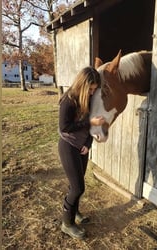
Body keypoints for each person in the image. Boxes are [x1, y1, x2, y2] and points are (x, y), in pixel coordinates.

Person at [58, 67, 105, 239]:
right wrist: (89, 121)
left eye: (95, 89)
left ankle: (75, 211)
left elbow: (91, 126)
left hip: (82, 147)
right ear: (82, 85)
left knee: (76, 184)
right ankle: (67, 223)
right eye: (90, 89)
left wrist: (88, 143)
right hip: (68, 145)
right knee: (78, 187)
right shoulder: (68, 101)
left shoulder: (89, 99)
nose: (93, 92)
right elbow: (65, 127)